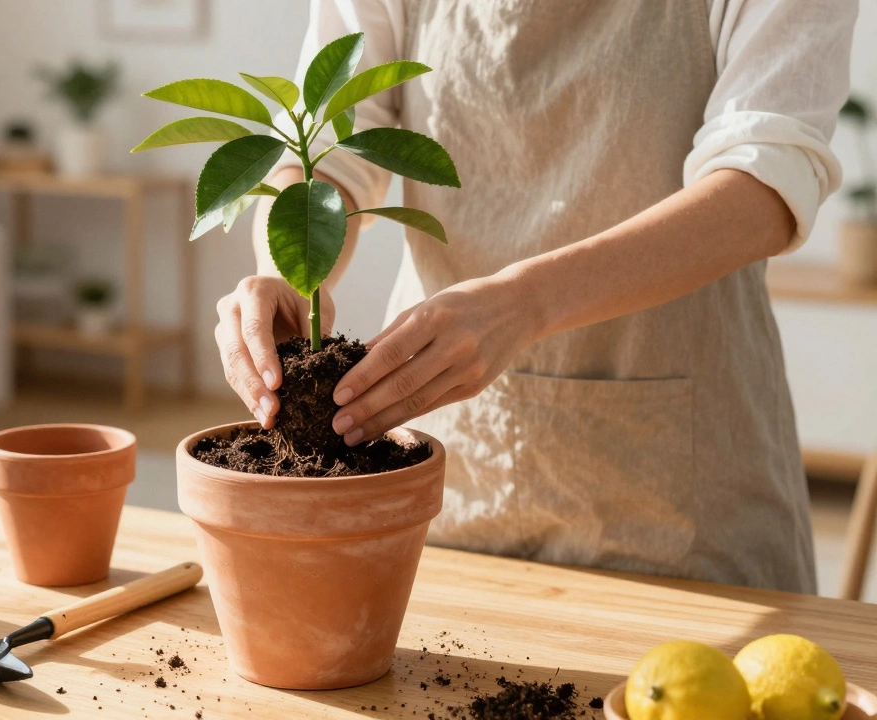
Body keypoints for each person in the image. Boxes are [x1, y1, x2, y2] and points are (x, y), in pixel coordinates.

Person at [214, 0, 859, 593]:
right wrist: (290, 275)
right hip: (443, 465)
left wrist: (527, 302)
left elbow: (764, 185)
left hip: (682, 495)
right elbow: (326, 149)